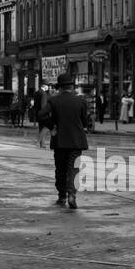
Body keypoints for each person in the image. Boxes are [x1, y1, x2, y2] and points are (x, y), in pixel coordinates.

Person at [42, 73, 93, 210]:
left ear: (59, 87)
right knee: (74, 169)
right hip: (76, 141)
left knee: (60, 169)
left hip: (59, 141)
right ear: (72, 86)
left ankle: (62, 196)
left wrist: (52, 125)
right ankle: (72, 194)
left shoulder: (54, 101)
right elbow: (85, 121)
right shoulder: (80, 101)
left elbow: (42, 114)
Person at [31, 79, 54, 150]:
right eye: (48, 85)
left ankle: (42, 144)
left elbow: (35, 104)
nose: (48, 87)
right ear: (44, 86)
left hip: (37, 113)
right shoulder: (43, 94)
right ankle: (37, 140)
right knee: (48, 127)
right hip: (43, 114)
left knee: (41, 128)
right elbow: (43, 106)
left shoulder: (36, 92)